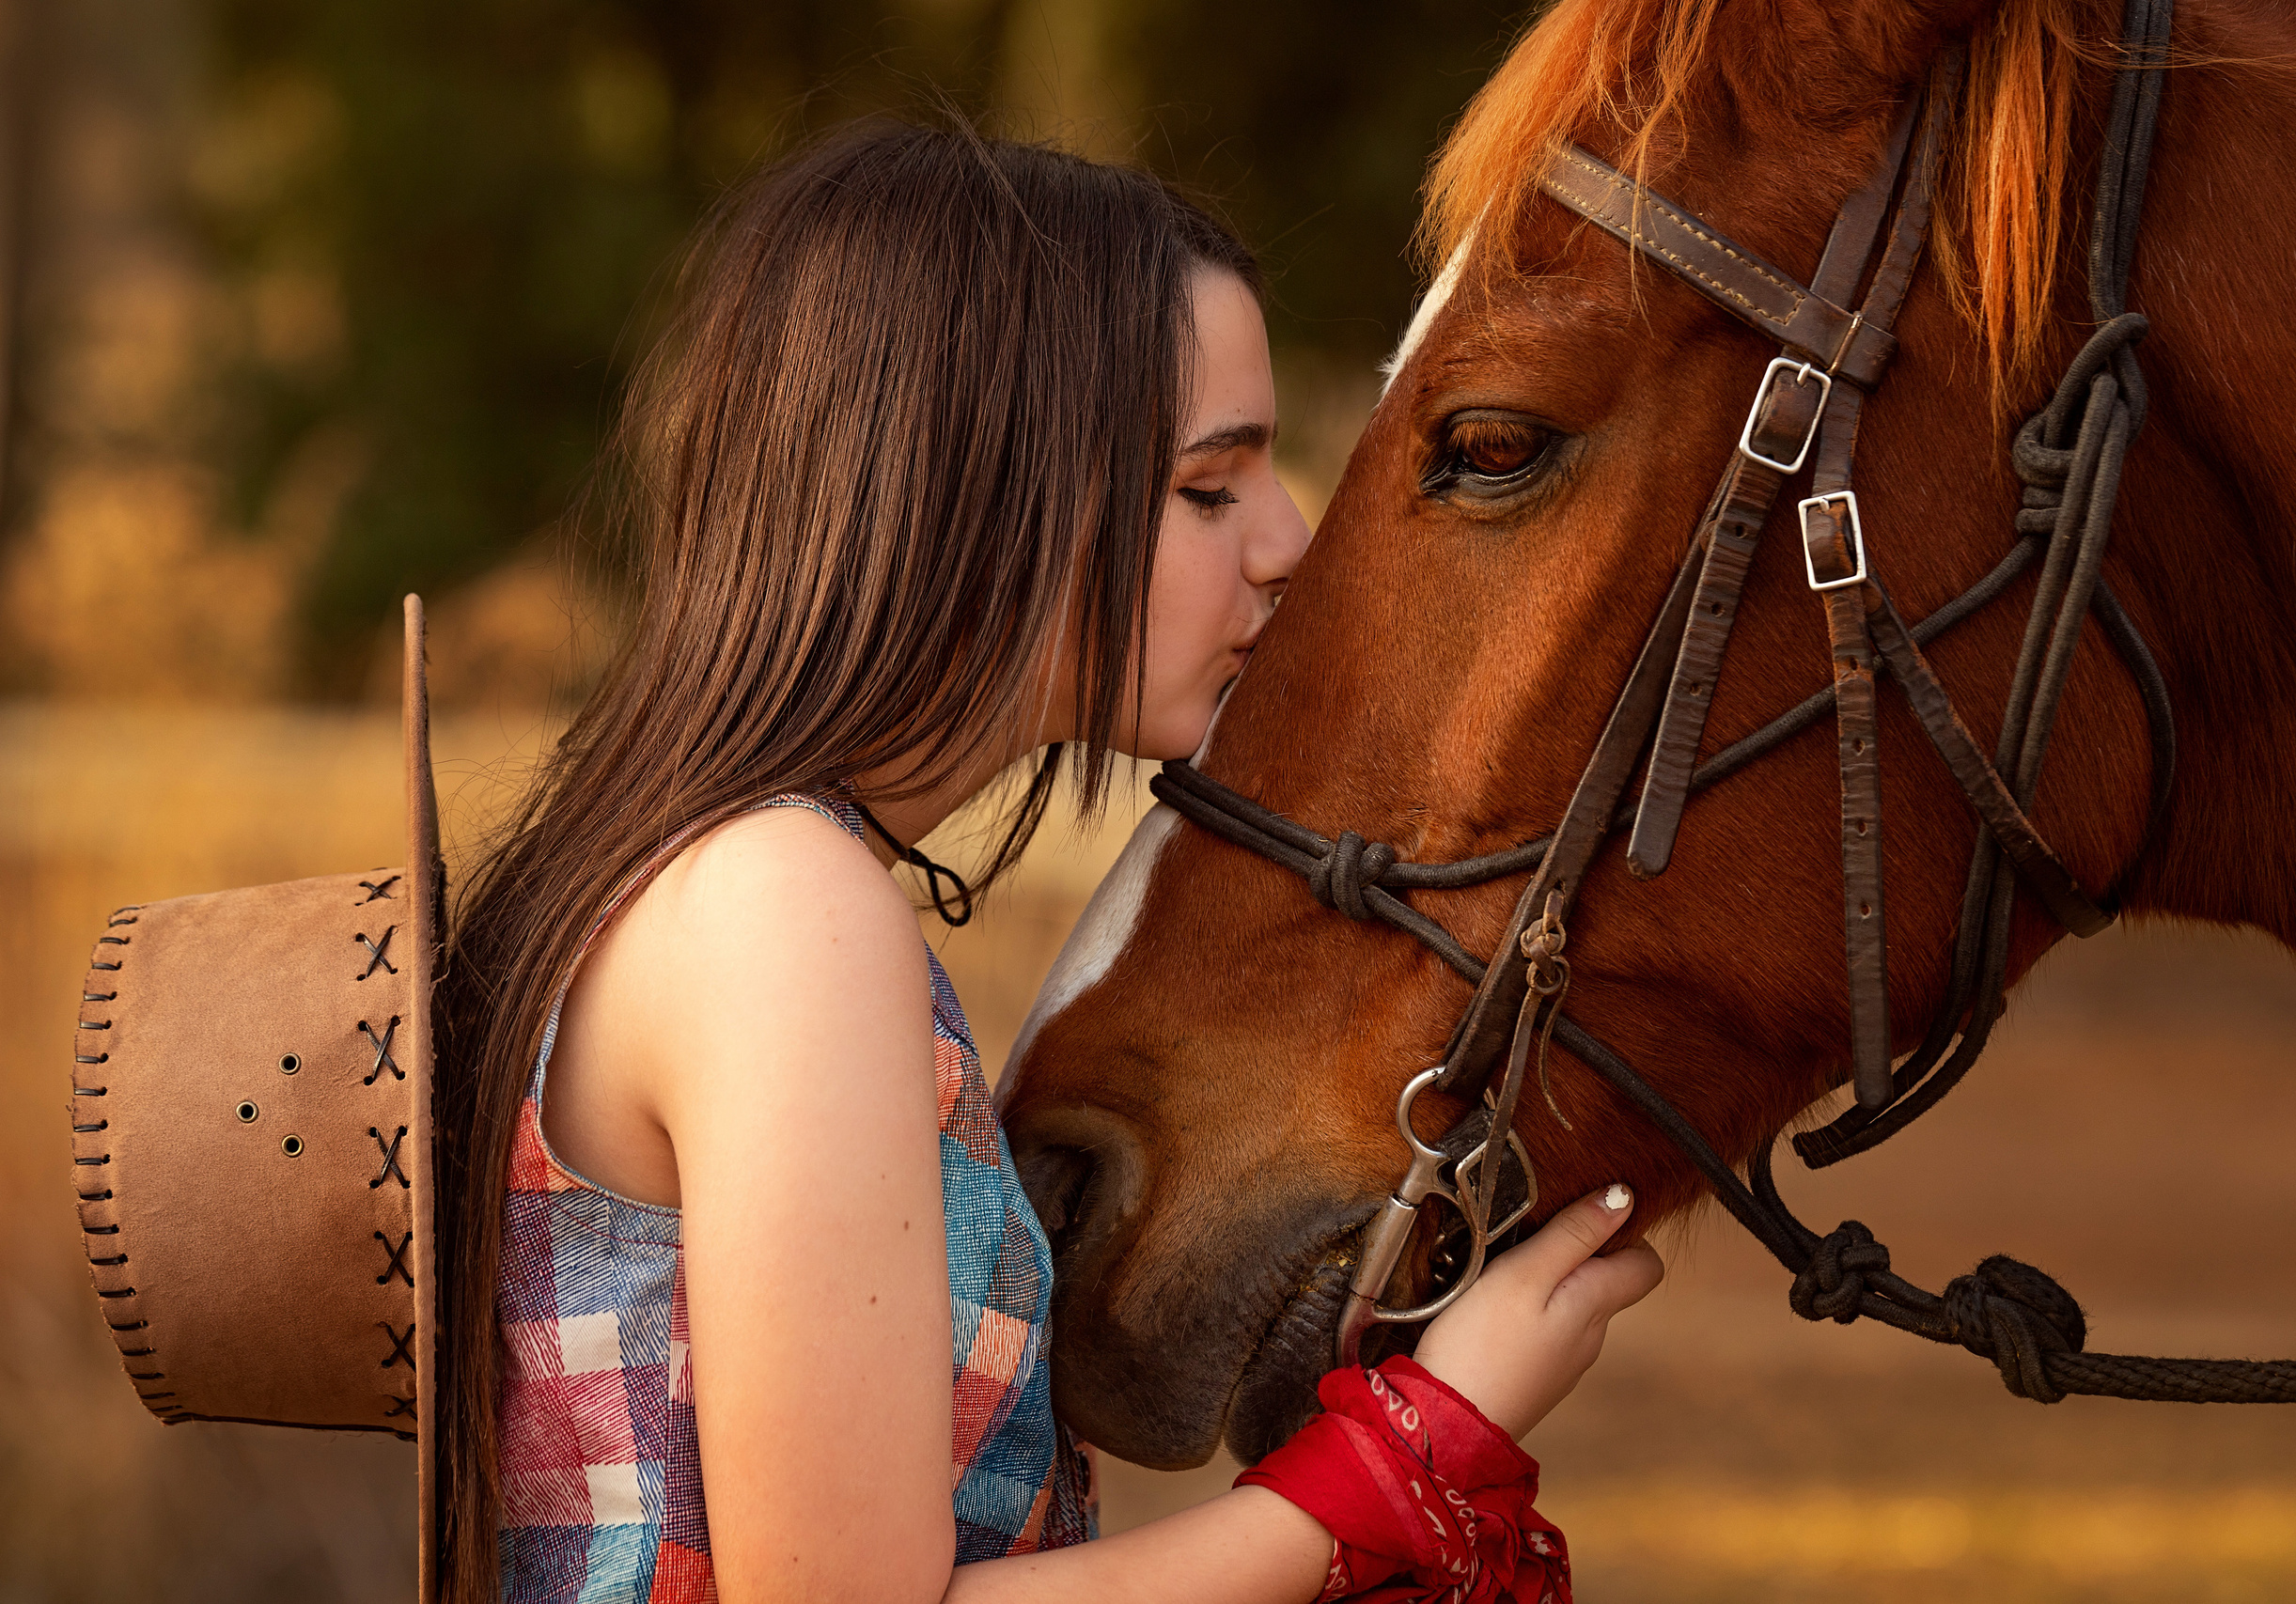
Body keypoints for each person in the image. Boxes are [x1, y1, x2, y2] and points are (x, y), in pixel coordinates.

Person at [432, 118, 1664, 1604]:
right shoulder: (780, 913)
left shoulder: (718, 878)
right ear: (976, 497)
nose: (1289, 542)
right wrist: (1414, 1450)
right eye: (1209, 488)